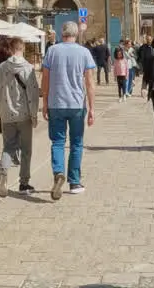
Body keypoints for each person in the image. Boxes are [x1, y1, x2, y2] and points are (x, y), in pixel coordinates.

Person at [41, 20, 95, 200]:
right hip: (77, 105)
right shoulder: (84, 52)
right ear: (76, 34)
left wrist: (45, 102)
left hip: (56, 103)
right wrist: (92, 108)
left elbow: (45, 78)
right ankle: (74, 181)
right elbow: (89, 83)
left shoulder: (52, 51)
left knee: (57, 142)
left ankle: (58, 173)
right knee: (76, 143)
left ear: (61, 32)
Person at [0, 37, 39, 197]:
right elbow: (32, 94)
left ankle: (3, 173)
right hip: (24, 114)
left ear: (11, 50)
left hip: (7, 114)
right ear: (22, 49)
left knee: (8, 147)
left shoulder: (2, 67)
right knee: (26, 150)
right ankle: (24, 183)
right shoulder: (28, 68)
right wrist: (34, 115)